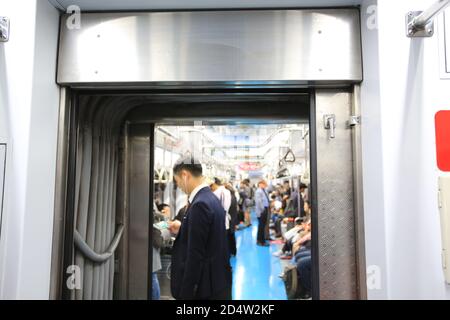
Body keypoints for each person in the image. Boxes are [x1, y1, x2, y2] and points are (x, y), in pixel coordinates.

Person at [168, 156, 231, 300]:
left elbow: (195, 255)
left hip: (204, 288)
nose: (180, 187)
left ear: (185, 175)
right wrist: (185, 228)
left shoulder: (199, 205)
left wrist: (186, 294)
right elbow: (207, 237)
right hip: (217, 281)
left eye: (178, 182)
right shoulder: (210, 198)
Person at [255, 180, 270, 246]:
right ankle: (260, 241)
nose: (265, 185)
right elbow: (259, 202)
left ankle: (262, 239)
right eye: (264, 184)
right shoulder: (258, 191)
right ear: (260, 184)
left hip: (265, 209)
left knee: (263, 225)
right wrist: (263, 210)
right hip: (262, 211)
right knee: (261, 226)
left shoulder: (264, 190)